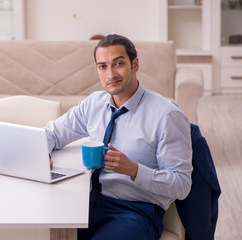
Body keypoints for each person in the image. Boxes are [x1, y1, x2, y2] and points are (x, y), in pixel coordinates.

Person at [44, 34, 193, 240]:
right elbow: (52, 132)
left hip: (134, 212)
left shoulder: (166, 116)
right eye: (102, 66)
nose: (111, 74)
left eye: (119, 64)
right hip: (85, 203)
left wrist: (134, 170)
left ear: (135, 64)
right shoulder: (94, 104)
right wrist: (42, 151)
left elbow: (182, 184)